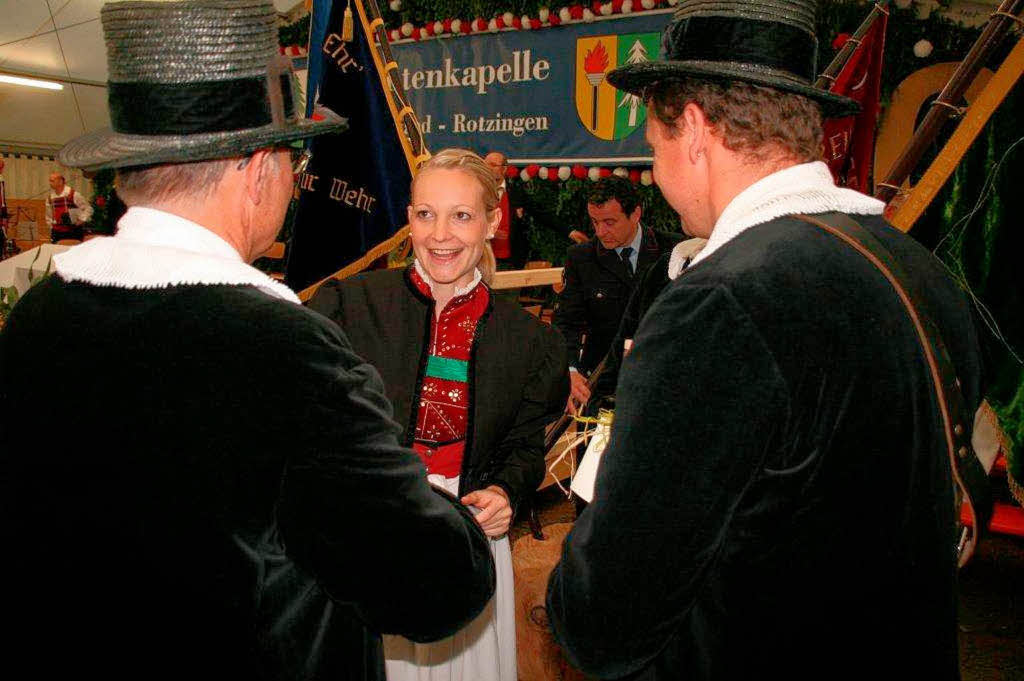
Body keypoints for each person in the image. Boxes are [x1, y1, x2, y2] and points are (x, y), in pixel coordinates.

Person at [0, 3, 494, 680]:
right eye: (294, 157)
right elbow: (439, 585)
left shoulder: (38, 319)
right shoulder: (286, 353)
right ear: (260, 166)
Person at [546, 1, 984, 679]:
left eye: (654, 144)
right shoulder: (917, 267)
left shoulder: (721, 303)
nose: (656, 172)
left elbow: (606, 618)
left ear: (692, 128)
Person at [310, 148, 569, 681]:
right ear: (408, 218)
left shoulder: (529, 341)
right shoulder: (349, 306)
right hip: (368, 542)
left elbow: (523, 448)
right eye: (426, 214)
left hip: (467, 544)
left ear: (493, 221)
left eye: (462, 215)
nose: (440, 234)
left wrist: (505, 493)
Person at [552, 175, 680, 410]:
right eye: (594, 222)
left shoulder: (675, 251)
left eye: (610, 222)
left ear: (636, 214)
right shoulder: (581, 258)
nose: (600, 232)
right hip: (600, 383)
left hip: (660, 381)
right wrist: (569, 370)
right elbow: (566, 321)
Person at [46, 171, 93, 242]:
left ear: (61, 181)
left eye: (52, 181)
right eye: (50, 181)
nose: (50, 183)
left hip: (73, 232)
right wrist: (51, 228)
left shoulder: (73, 194)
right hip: (57, 233)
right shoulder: (50, 198)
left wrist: (81, 220)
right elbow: (48, 216)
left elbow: (88, 209)